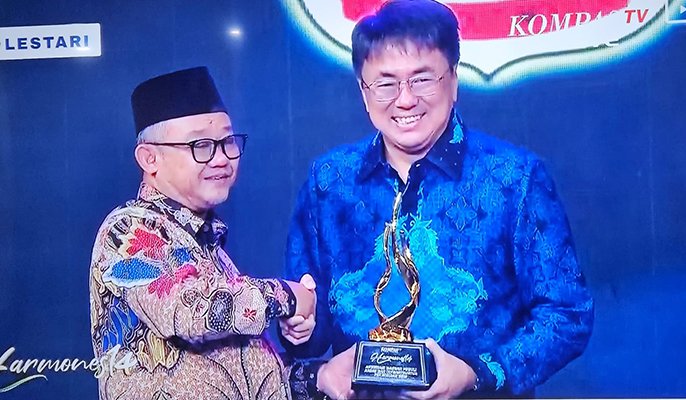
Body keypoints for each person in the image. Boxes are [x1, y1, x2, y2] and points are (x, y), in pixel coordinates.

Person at [282, 1, 594, 398]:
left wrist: (478, 373)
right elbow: (311, 321)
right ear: (363, 91)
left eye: (422, 79)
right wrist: (300, 327)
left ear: (454, 80)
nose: (405, 99)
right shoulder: (328, 181)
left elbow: (567, 313)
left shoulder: (515, 178)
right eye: (385, 83)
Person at [89, 66, 316, 400]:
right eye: (201, 145)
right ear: (150, 158)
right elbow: (197, 312)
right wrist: (288, 296)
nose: (221, 158)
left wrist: (319, 378)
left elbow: (233, 371)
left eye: (227, 142)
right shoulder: (127, 231)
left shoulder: (208, 246)